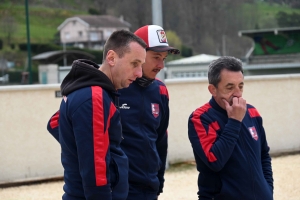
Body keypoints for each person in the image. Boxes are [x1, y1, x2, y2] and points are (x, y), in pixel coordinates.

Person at [47, 29, 147, 200]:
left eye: (141, 65)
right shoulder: (93, 96)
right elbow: (95, 169)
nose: (139, 73)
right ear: (111, 58)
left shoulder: (88, 90)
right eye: (135, 64)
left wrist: (77, 146)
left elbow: (56, 123)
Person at [188, 56, 273, 200]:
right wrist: (234, 121)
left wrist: (267, 191)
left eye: (240, 86)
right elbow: (214, 161)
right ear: (213, 89)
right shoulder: (200, 118)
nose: (238, 94)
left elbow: (264, 155)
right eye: (230, 87)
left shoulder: (252, 112)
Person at [117, 25, 180, 200]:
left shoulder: (160, 90)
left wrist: (159, 180)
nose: (161, 65)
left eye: (164, 59)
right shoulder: (112, 87)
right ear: (137, 55)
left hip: (149, 188)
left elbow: (160, 139)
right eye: (156, 57)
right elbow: (60, 124)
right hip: (117, 189)